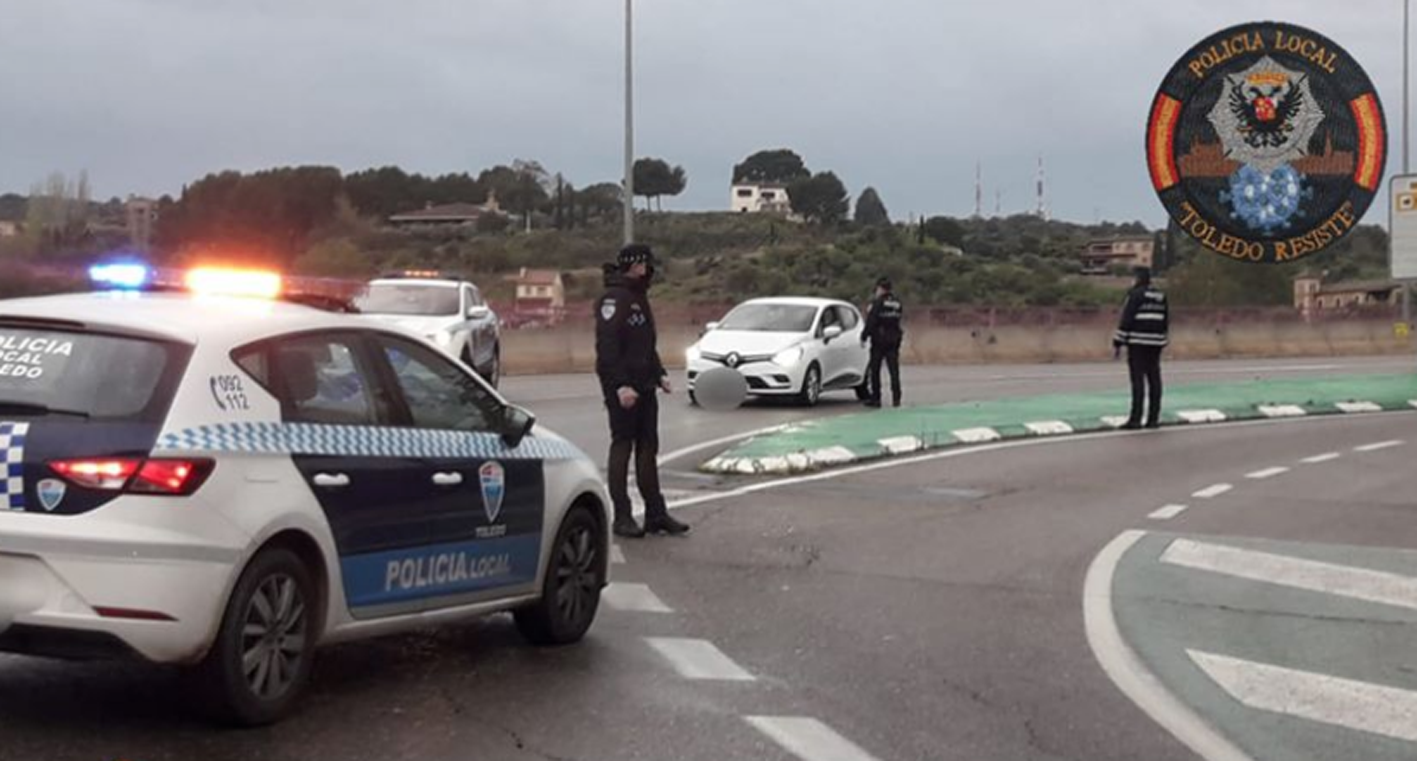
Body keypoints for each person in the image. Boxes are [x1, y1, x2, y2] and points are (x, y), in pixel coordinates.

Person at [595, 244, 690, 538]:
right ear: (633, 265)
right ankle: (622, 515)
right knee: (623, 445)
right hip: (622, 387)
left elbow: (644, 344)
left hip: (645, 384)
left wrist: (659, 373)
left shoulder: (639, 296)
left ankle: (656, 514)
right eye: (644, 265)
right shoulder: (614, 298)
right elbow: (607, 348)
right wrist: (620, 385)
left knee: (649, 447)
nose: (648, 270)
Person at [1113, 266, 1169, 429]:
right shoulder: (1161, 295)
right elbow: (1166, 319)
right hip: (1156, 343)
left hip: (1138, 342)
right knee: (1154, 379)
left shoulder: (1135, 295)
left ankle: (1135, 419)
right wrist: (1162, 339)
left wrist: (1118, 341)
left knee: (1138, 380)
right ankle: (1153, 419)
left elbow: (1127, 318)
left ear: (1138, 278)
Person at [862, 277, 905, 408]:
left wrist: (864, 336)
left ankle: (876, 398)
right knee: (894, 370)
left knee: (875, 370)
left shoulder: (878, 303)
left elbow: (871, 321)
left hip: (880, 340)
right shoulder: (897, 303)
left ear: (881, 288)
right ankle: (896, 398)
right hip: (894, 339)